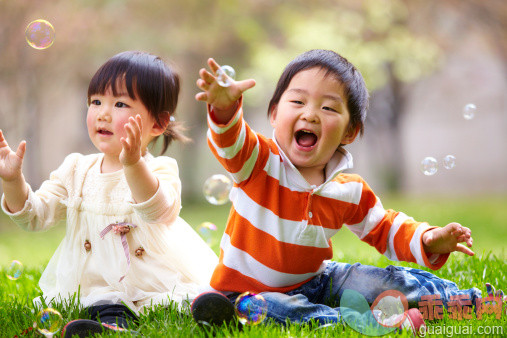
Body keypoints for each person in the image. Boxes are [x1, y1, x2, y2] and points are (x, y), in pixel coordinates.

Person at [190, 49, 481, 331]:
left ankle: (460, 301)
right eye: (298, 102)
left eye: (328, 107)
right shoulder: (258, 162)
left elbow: (385, 227)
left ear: (349, 131)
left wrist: (429, 239)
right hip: (247, 293)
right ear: (275, 114)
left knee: (377, 282)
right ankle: (374, 323)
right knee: (282, 311)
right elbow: (231, 143)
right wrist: (225, 109)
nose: (311, 115)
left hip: (318, 278)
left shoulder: (349, 190)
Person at [0, 51, 218, 336]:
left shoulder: (161, 169)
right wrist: (13, 181)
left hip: (153, 277)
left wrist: (133, 164)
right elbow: (34, 216)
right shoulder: (75, 169)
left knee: (178, 297)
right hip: (97, 281)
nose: (102, 113)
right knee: (104, 301)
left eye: (119, 104)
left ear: (158, 123)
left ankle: (208, 309)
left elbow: (157, 210)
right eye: (96, 101)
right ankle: (110, 325)